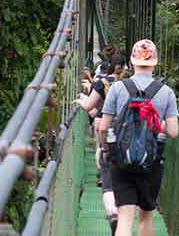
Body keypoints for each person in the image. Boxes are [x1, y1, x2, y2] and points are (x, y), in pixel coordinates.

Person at [99, 39, 179, 236]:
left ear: (132, 62)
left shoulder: (118, 88)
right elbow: (174, 132)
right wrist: (154, 120)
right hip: (151, 163)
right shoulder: (166, 92)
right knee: (146, 217)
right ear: (155, 62)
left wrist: (107, 150)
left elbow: (103, 127)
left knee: (125, 217)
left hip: (121, 160)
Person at [74, 53, 126, 235]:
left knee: (104, 159)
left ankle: (112, 212)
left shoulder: (101, 82)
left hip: (104, 124)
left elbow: (89, 106)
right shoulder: (131, 83)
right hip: (128, 135)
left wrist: (80, 100)